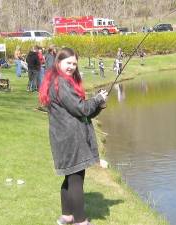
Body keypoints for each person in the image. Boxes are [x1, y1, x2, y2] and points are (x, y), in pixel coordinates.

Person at [39, 47, 108, 225]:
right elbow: (81, 108)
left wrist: (98, 104)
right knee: (76, 179)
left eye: (74, 64)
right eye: (68, 63)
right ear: (59, 62)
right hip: (71, 139)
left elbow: (81, 112)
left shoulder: (57, 80)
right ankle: (80, 221)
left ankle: (67, 216)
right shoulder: (61, 83)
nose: (71, 67)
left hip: (64, 138)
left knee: (70, 177)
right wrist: (97, 99)